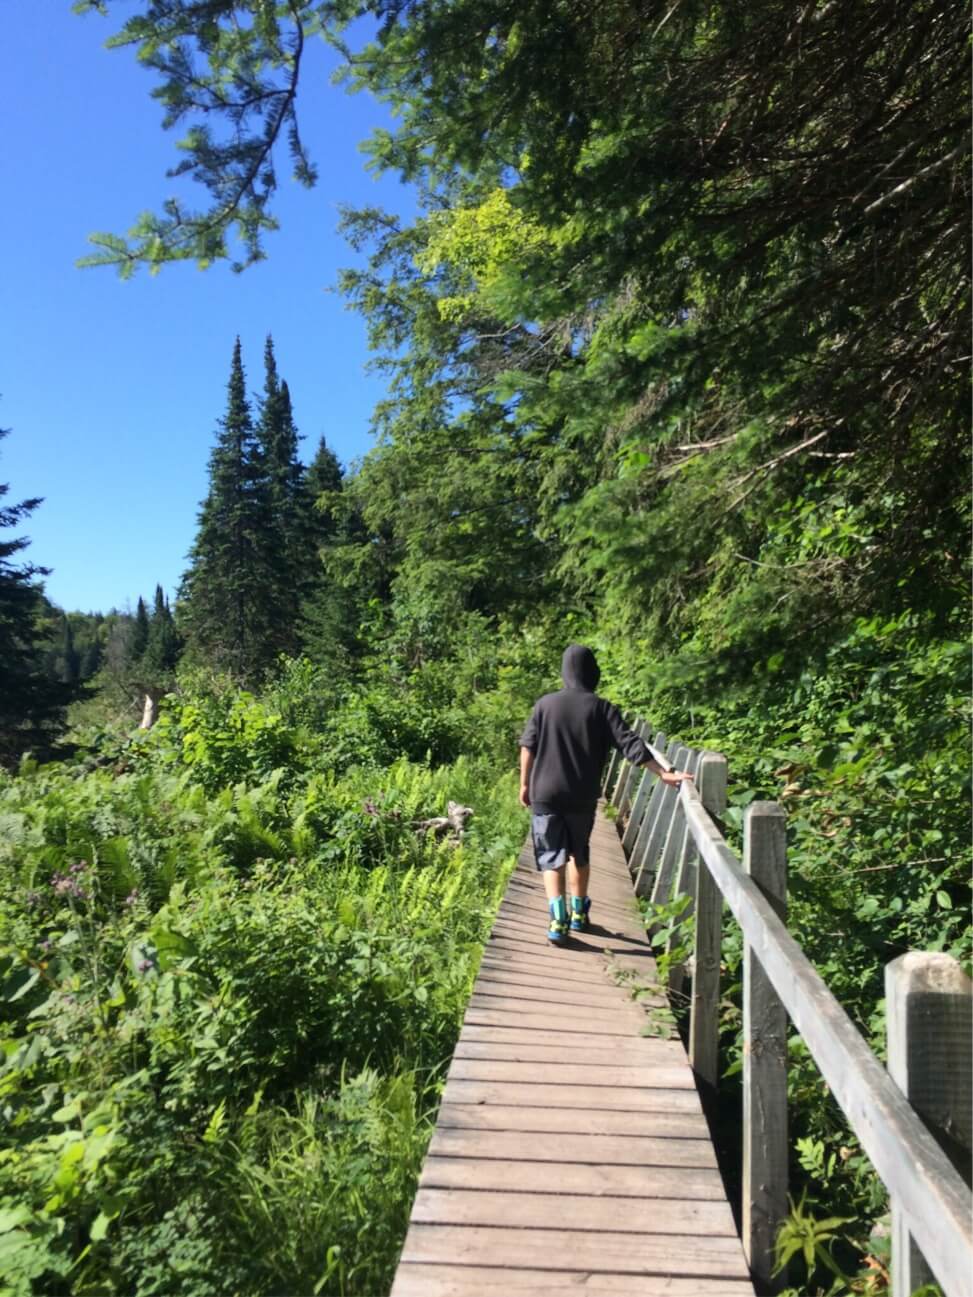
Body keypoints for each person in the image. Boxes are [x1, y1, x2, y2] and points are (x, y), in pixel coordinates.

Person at [519, 644, 694, 945]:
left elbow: (528, 746)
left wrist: (524, 784)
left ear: (564, 672)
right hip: (582, 795)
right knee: (578, 852)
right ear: (592, 673)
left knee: (551, 856)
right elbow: (631, 743)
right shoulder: (601, 708)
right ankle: (578, 913)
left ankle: (557, 919)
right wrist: (663, 773)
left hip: (544, 792)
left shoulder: (544, 705)